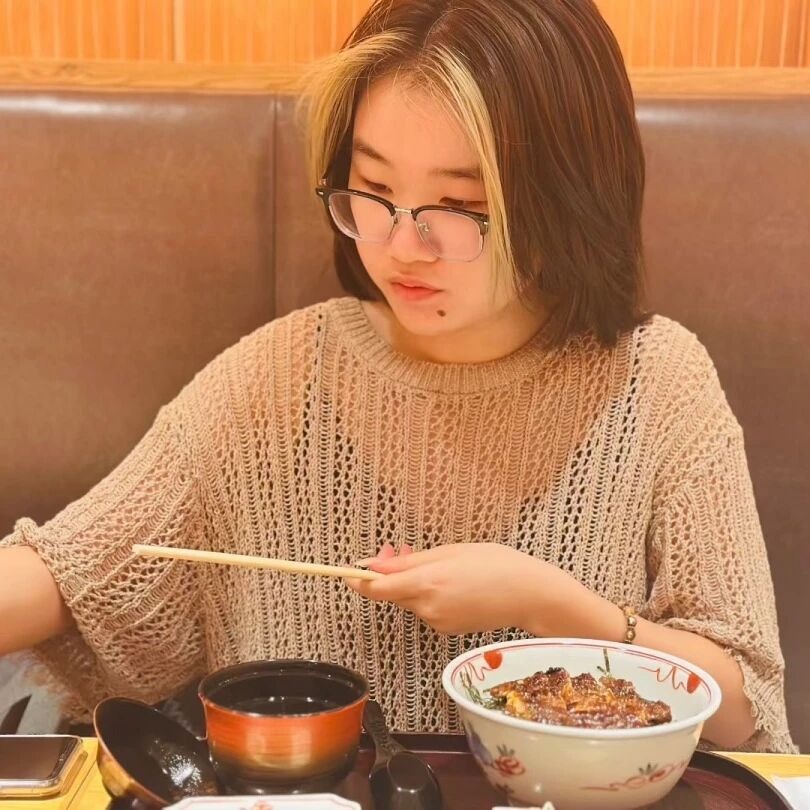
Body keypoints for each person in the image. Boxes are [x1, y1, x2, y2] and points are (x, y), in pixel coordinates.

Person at [0, 0, 794, 753]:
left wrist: (550, 603)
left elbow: (743, 712)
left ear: (568, 203)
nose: (403, 247)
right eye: (375, 191)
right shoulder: (277, 377)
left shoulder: (656, 384)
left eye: (460, 204)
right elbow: (73, 571)